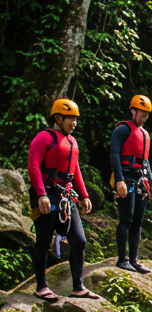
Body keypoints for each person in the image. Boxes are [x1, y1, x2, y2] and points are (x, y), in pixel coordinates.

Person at [27, 98, 98, 301]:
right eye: (71, 119)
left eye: (76, 119)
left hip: (66, 197)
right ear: (58, 118)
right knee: (43, 240)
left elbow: (75, 172)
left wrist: (84, 196)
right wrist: (41, 194)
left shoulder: (72, 142)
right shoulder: (44, 138)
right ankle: (41, 287)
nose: (74, 123)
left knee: (79, 241)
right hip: (47, 195)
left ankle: (78, 287)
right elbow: (33, 166)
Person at [110, 94, 152, 273]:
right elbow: (115, 155)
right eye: (141, 113)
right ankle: (122, 259)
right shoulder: (122, 130)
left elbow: (145, 162)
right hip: (126, 179)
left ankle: (134, 259)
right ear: (133, 111)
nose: (144, 116)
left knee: (138, 222)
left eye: (147, 114)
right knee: (126, 219)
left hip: (141, 181)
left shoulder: (145, 135)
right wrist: (119, 180)